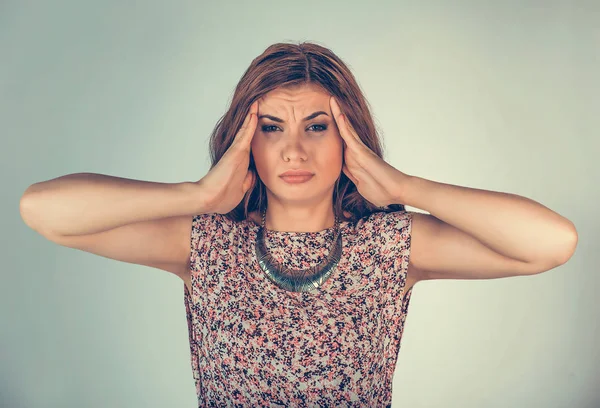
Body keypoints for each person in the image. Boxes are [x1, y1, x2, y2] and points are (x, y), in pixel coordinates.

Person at [20, 41, 577, 407]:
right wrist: (196, 194)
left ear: (348, 139)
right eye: (270, 127)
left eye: (316, 127)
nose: (293, 150)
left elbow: (552, 243)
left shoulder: (388, 247)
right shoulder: (206, 244)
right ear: (247, 141)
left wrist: (404, 187)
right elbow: (42, 209)